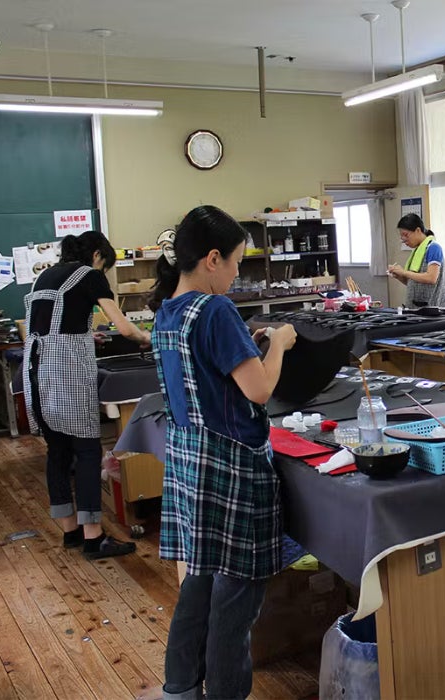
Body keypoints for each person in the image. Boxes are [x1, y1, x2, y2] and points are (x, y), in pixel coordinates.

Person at [148, 205, 297, 700]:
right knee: (235, 603)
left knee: (197, 586)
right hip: (231, 471)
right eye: (235, 262)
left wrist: (245, 346)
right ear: (212, 259)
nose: (237, 273)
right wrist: (278, 344)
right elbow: (259, 390)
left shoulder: (167, 311)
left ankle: (180, 690)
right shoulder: (216, 310)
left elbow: (208, 371)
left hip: (190, 466)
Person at [22, 230, 151, 560]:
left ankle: (70, 532)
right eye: (105, 265)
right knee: (88, 451)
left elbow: (52, 328)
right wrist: (149, 339)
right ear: (97, 256)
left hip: (37, 373)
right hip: (66, 376)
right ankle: (94, 538)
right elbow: (124, 328)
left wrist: (85, 336)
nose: (103, 271)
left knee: (58, 452)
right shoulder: (89, 275)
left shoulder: (44, 276)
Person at [387, 213, 445, 308]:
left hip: (433, 309)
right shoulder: (416, 251)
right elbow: (413, 283)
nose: (403, 239)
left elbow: (431, 278)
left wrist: (404, 272)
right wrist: (399, 276)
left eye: (406, 235)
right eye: (401, 236)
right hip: (416, 308)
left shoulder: (433, 248)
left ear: (418, 230)